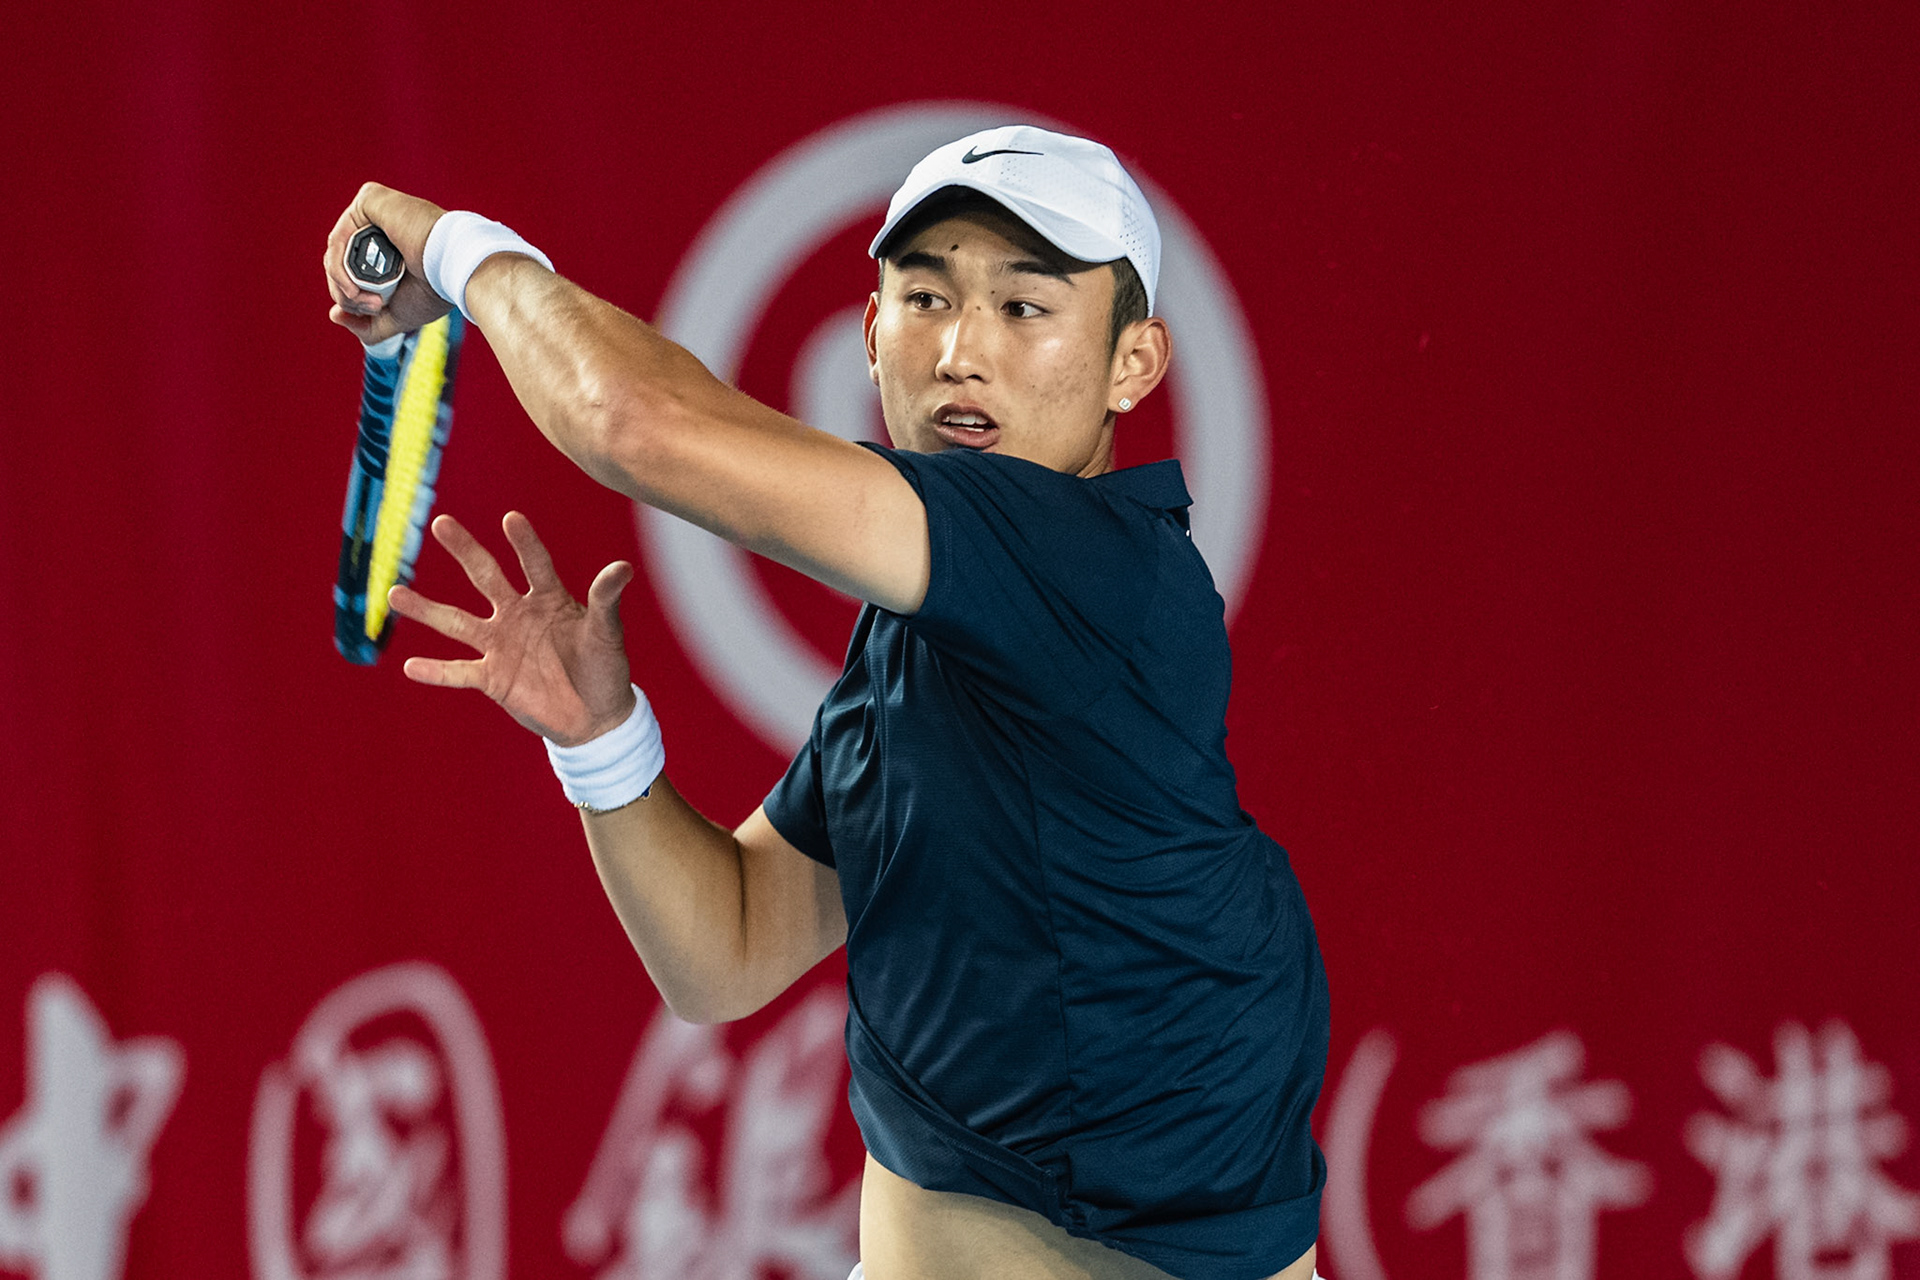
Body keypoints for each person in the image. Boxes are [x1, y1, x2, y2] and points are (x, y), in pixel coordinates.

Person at [325, 125, 1328, 1280]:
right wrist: (604, 741)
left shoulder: (1091, 565)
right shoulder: (921, 638)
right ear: (868, 333)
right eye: (926, 296)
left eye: (1024, 307)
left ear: (1132, 365)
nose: (962, 350)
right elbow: (730, 949)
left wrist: (461, 253)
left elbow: (634, 423)